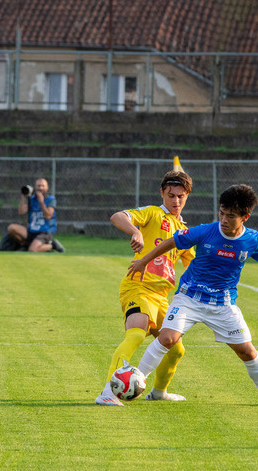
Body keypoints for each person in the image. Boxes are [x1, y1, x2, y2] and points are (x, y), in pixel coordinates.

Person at [127, 184, 258, 407]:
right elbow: (171, 241)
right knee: (167, 338)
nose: (223, 219)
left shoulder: (252, 240)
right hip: (189, 297)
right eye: (221, 213)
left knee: (247, 352)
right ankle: (135, 380)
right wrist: (144, 261)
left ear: (245, 217)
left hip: (223, 304)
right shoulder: (206, 231)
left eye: (230, 216)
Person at [95, 170, 196, 406]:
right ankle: (107, 393)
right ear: (162, 193)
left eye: (181, 196)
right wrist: (135, 230)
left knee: (176, 349)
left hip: (162, 296)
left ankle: (159, 392)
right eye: (171, 195)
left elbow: (191, 262)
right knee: (138, 332)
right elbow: (117, 216)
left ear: (187, 196)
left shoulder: (184, 230)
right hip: (138, 287)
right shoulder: (152, 213)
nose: (176, 201)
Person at [0, 178, 65, 253]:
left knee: (32, 250)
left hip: (44, 231)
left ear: (47, 187)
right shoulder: (32, 199)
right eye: (38, 186)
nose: (40, 188)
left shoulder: (51, 200)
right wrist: (23, 197)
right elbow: (21, 211)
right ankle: (26, 245)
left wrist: (41, 202)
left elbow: (48, 216)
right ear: (35, 187)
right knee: (11, 228)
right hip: (31, 230)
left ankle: (52, 245)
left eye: (43, 186)